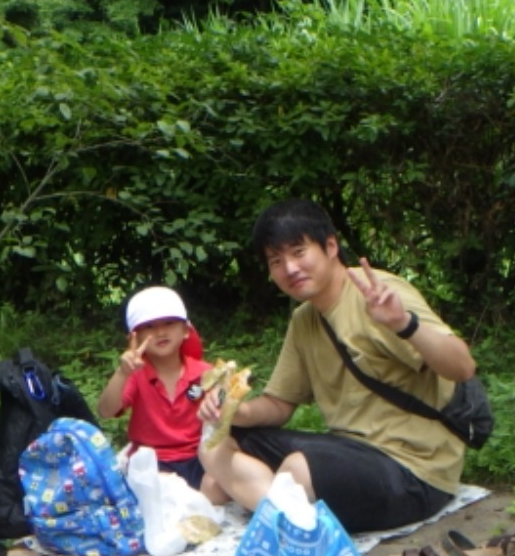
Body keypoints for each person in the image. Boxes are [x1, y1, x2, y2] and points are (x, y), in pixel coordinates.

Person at [204, 200, 477, 534]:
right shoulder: (304, 320)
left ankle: (279, 511)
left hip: (415, 471)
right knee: (213, 442)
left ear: (331, 246)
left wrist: (404, 323)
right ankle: (287, 515)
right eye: (277, 261)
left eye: (299, 252)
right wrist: (232, 411)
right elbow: (278, 404)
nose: (290, 268)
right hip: (350, 453)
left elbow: (463, 367)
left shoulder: (377, 293)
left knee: (296, 472)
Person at [95, 285, 219, 490]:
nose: (161, 332)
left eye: (169, 323)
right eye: (150, 326)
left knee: (217, 483)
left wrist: (219, 396)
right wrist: (123, 373)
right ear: (134, 338)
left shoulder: (204, 372)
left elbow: (224, 398)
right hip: (152, 462)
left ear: (186, 331)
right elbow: (106, 411)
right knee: (156, 491)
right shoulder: (135, 375)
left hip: (197, 457)